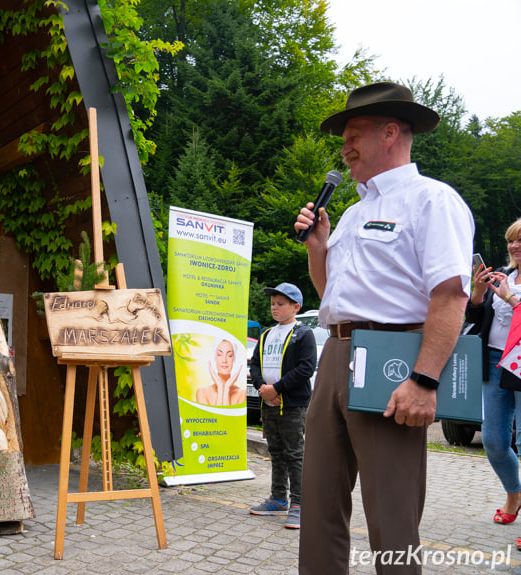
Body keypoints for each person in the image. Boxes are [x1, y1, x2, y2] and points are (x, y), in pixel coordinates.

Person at [294, 82, 474, 574]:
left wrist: (424, 380)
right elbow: (331, 295)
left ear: (390, 132)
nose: (345, 147)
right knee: (319, 506)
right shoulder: (351, 213)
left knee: (391, 516)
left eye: (353, 134)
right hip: (335, 354)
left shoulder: (432, 201)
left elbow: (450, 295)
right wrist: (318, 248)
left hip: (391, 361)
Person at [248, 282, 316, 529]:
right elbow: (255, 365)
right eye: (273, 304)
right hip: (269, 403)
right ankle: (278, 499)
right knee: (275, 452)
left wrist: (276, 389)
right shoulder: (267, 334)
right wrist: (263, 390)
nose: (274, 308)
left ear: (295, 307)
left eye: (280, 304)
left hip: (292, 405)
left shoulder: (303, 333)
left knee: (294, 454)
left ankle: (299, 504)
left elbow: (306, 368)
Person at [466, 219, 521, 526]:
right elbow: (475, 316)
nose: (515, 246)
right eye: (511, 240)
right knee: (494, 441)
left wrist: (510, 298)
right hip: (493, 361)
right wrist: (478, 290)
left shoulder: (509, 288)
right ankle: (515, 491)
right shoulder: (504, 276)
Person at [195, 338, 245, 405]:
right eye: (219, 354)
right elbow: (215, 415)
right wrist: (220, 388)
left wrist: (226, 388)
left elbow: (227, 415)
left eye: (229, 355)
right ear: (215, 357)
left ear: (234, 358)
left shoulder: (241, 394)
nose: (224, 360)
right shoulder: (202, 392)